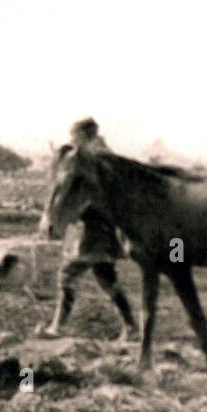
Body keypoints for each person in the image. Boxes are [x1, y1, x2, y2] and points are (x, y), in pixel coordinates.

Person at [37, 118, 138, 340]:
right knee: (106, 277)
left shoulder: (90, 158)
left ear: (84, 134)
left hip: (93, 228)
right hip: (104, 227)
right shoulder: (104, 156)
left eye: (75, 136)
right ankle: (131, 327)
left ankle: (57, 327)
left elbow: (85, 193)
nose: (72, 140)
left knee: (67, 274)